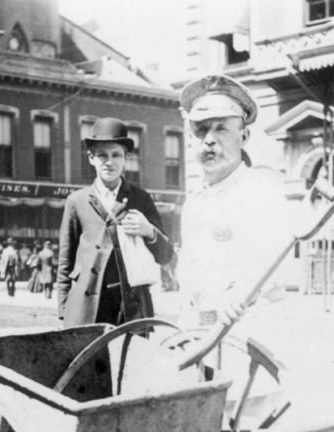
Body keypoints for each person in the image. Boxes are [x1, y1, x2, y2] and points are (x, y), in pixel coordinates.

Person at [176, 74, 290, 327]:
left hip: (251, 332)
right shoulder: (194, 203)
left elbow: (276, 268)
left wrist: (242, 295)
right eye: (201, 130)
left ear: (244, 136)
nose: (208, 140)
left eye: (221, 128)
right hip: (199, 335)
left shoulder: (262, 194)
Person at [56, 117, 174, 325]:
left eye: (116, 155)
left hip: (130, 307)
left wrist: (149, 231)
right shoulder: (77, 201)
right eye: (102, 155)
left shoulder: (141, 198)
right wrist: (64, 311)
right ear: (91, 158)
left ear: (126, 158)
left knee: (132, 358)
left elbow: (166, 256)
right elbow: (65, 262)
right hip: (85, 307)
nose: (109, 162)